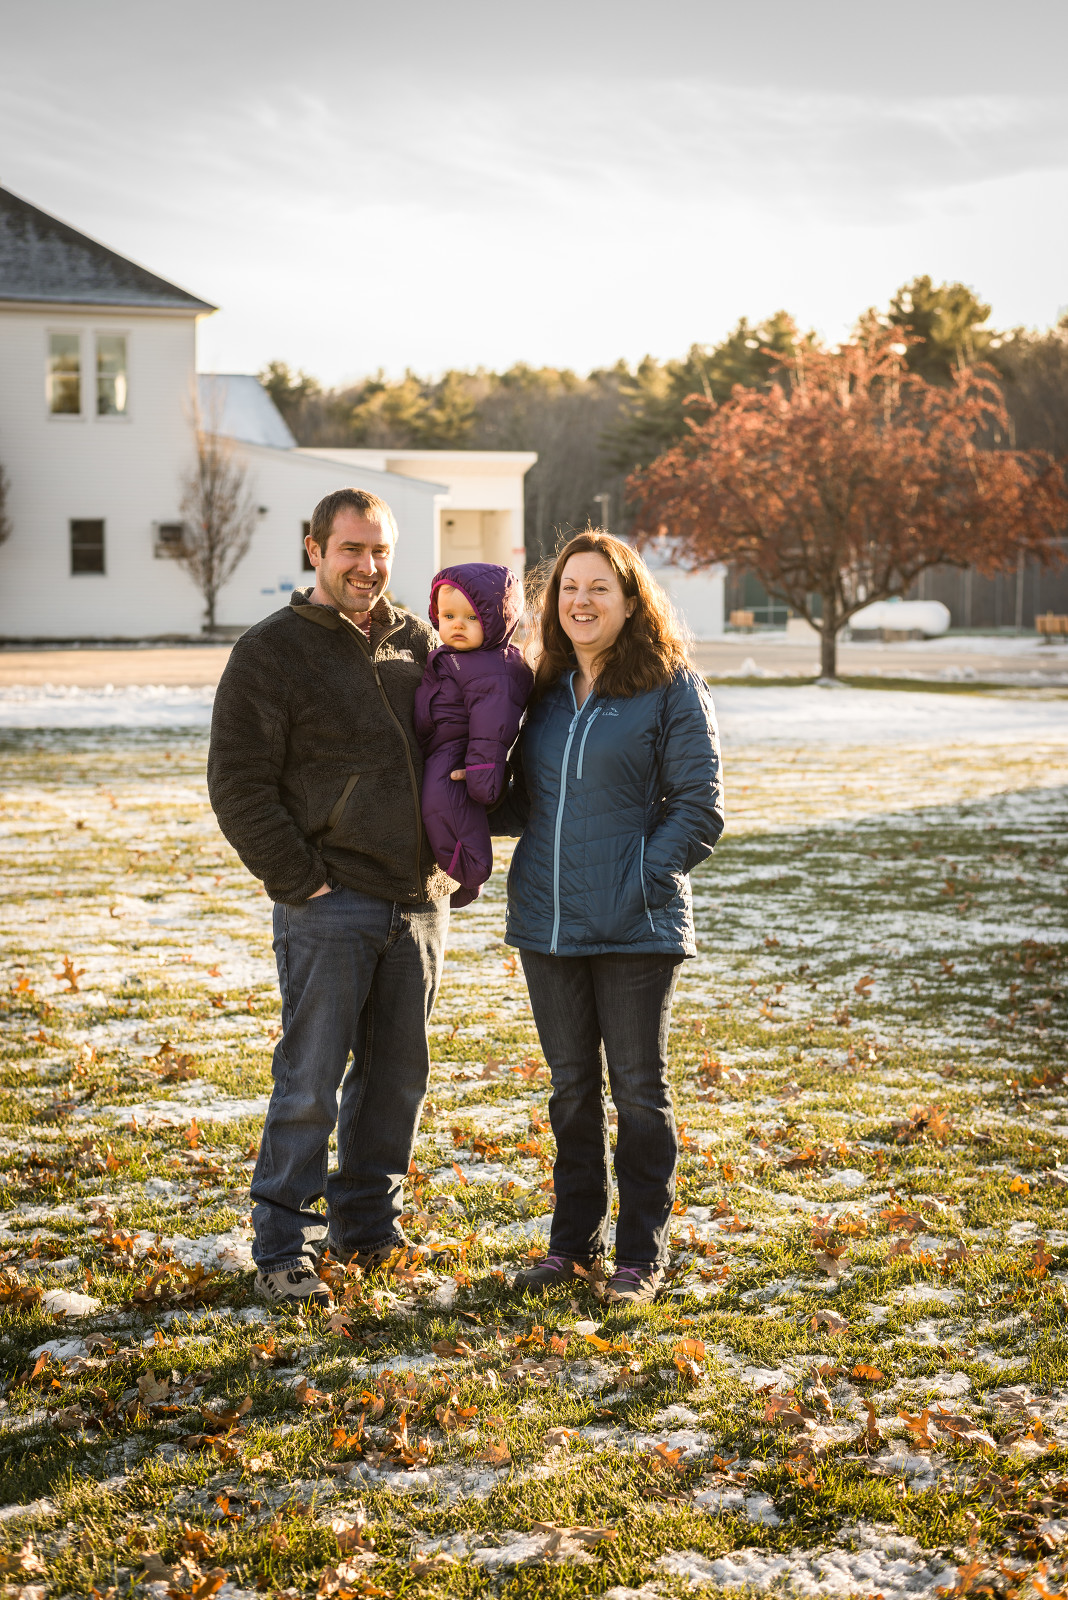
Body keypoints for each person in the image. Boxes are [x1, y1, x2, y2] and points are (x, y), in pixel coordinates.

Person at [207, 488, 454, 1312]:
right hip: (330, 903)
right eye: (351, 549)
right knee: (310, 1080)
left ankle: (369, 1231)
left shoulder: (417, 641)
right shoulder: (271, 651)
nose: (368, 566)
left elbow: (456, 748)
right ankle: (284, 1247)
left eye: (380, 550)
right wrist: (300, 878)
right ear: (314, 549)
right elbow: (238, 782)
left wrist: (455, 854)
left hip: (417, 902)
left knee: (395, 1081)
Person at [482, 531, 724, 1305]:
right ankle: (572, 1246)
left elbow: (699, 807)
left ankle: (640, 1256)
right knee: (571, 1092)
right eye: (569, 588)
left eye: (598, 588)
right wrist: (466, 786)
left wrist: (644, 879)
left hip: (634, 926)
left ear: (630, 601)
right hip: (548, 923)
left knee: (640, 1092)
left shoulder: (671, 686)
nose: (580, 601)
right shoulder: (546, 691)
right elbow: (526, 803)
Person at [414, 563, 534, 908]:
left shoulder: (494, 669)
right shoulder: (458, 657)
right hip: (439, 744)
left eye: (471, 618)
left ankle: (470, 871)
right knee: (440, 809)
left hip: (457, 752)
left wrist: (483, 775)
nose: (457, 625)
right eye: (448, 616)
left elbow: (491, 729)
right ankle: (458, 869)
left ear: (497, 621)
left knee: (441, 803)